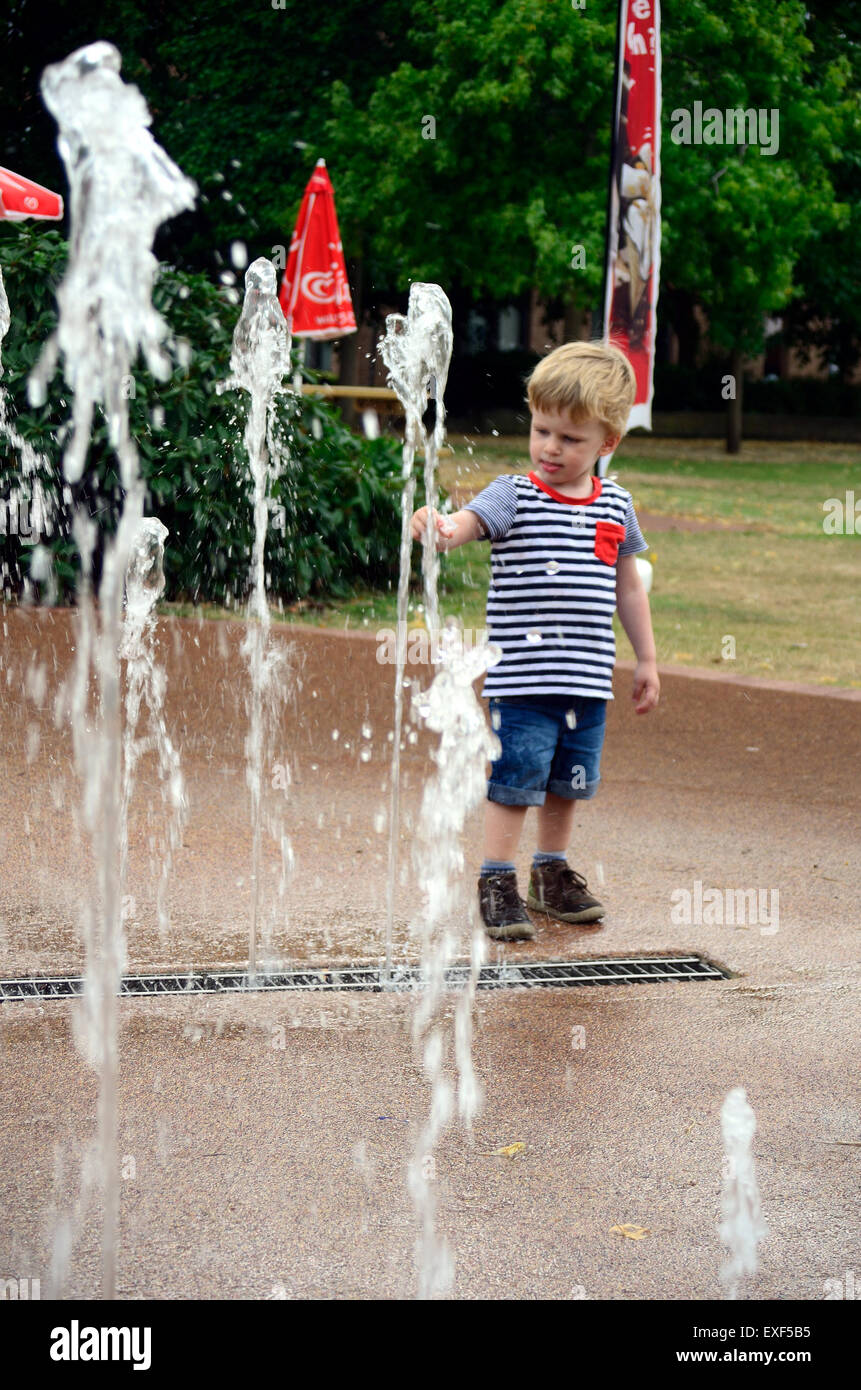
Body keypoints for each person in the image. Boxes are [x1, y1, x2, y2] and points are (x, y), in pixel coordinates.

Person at [410, 340, 660, 940]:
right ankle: (496, 878)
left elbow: (629, 588)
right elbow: (465, 526)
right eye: (542, 430)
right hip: (522, 680)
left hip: (587, 680)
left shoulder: (617, 505)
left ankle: (550, 872)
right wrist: (438, 527)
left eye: (570, 439)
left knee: (568, 781)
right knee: (516, 781)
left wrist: (647, 659)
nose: (550, 447)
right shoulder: (513, 494)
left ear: (607, 443)